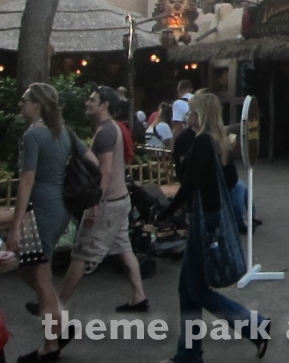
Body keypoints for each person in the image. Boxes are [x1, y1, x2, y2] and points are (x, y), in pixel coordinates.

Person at [159, 93, 270, 363]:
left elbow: (188, 185)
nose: (188, 117)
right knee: (188, 290)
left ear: (201, 114)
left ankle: (253, 324)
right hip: (209, 216)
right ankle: (189, 353)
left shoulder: (202, 143)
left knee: (197, 290)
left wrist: (165, 213)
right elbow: (227, 179)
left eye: (192, 112)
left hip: (203, 220)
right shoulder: (216, 142)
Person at [7, 83, 96, 363]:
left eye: (25, 99)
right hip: (60, 208)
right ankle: (60, 323)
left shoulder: (34, 135)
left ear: (38, 104)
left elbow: (27, 180)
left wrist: (16, 223)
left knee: (42, 279)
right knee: (28, 271)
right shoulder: (63, 131)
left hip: (42, 210)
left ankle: (50, 344)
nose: (21, 104)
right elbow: (92, 160)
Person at [52, 86, 148, 315]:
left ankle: (57, 305)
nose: (88, 102)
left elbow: (104, 171)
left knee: (81, 254)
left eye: (92, 99)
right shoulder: (114, 128)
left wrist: (95, 203)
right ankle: (139, 296)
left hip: (108, 202)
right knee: (124, 247)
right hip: (120, 199)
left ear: (105, 105)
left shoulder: (105, 132)